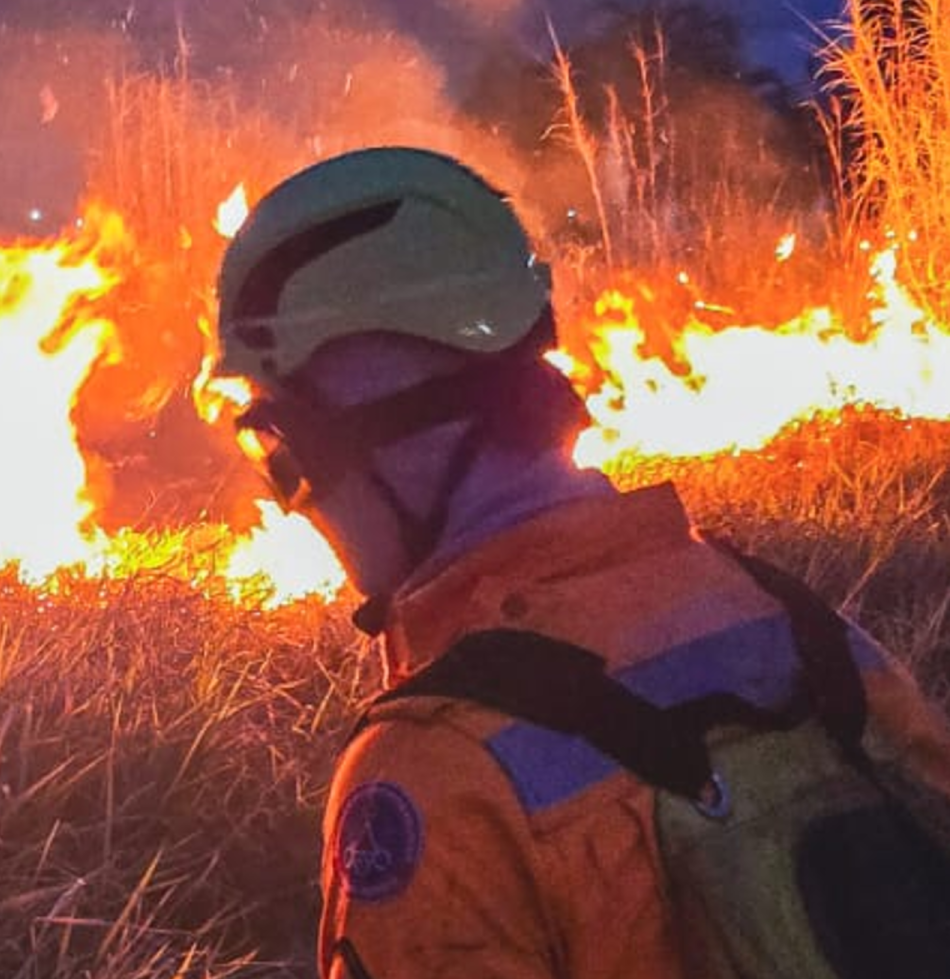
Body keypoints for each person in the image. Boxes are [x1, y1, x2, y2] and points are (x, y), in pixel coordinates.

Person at [212, 146, 950, 978]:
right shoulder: (814, 635)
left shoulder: (433, 777)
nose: (291, 498)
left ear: (381, 432)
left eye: (278, 448)